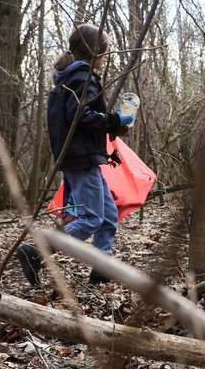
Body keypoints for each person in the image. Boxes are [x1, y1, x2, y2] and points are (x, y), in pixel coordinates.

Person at [17, 23, 133, 286]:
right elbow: (81, 115)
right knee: (92, 217)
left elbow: (79, 117)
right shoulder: (82, 77)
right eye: (104, 52)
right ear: (95, 53)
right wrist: (113, 120)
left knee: (108, 215)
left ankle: (102, 268)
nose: (106, 58)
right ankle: (37, 250)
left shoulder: (73, 77)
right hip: (80, 158)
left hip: (83, 155)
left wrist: (112, 126)